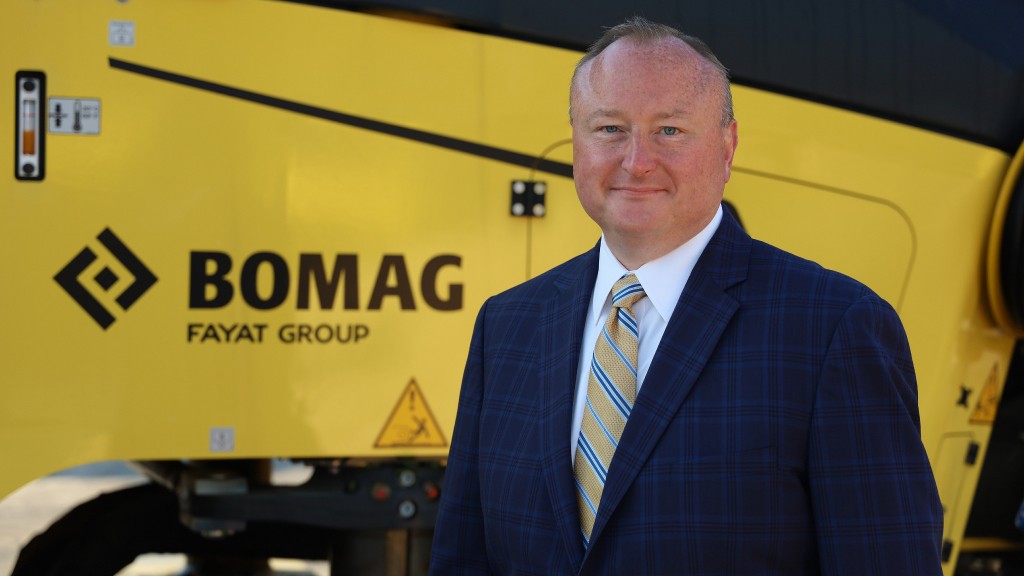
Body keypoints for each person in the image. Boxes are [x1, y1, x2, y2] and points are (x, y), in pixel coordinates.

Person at [431, 16, 943, 575]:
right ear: (576, 142)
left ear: (728, 146)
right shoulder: (507, 325)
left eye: (669, 131)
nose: (637, 161)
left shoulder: (834, 329)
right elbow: (464, 560)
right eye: (610, 130)